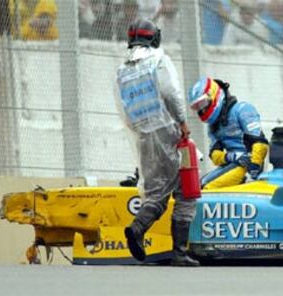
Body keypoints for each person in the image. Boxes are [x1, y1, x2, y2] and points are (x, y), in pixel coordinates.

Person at [116, 19, 199, 266]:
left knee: (155, 191)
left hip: (143, 135)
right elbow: (170, 92)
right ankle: (178, 252)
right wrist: (182, 122)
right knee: (186, 189)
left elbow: (123, 107)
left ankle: (138, 228)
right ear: (155, 38)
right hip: (168, 132)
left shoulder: (123, 69)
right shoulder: (158, 59)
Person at [187, 77, 269, 189]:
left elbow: (260, 143)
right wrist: (232, 157)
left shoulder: (242, 109)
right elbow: (215, 155)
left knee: (208, 187)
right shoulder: (213, 125)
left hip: (249, 165)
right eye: (198, 107)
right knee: (199, 186)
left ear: (214, 95)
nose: (202, 110)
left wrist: (253, 169)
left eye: (203, 104)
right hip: (232, 164)